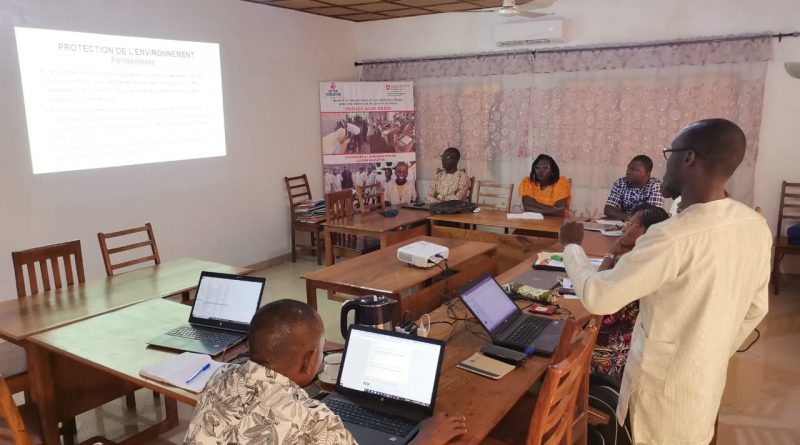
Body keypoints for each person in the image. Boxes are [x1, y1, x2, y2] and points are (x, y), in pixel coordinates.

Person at [558, 118, 771, 444]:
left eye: (669, 153)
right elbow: (756, 309)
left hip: (661, 395)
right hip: (704, 383)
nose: (664, 164)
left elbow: (598, 297)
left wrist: (572, 245)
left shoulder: (671, 237)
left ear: (688, 158)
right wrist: (707, 350)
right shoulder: (754, 226)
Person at [185, 299, 467, 445]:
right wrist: (428, 439)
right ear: (309, 362)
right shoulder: (315, 420)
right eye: (321, 348)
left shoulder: (220, 377)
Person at [591, 204, 670, 381]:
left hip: (611, 352)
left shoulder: (633, 264)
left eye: (630, 224)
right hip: (631, 345)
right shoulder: (652, 258)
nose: (624, 228)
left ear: (647, 232)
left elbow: (598, 295)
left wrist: (609, 255)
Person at [604, 155, 664, 221]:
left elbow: (652, 216)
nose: (628, 172)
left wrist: (627, 219)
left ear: (647, 173)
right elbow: (608, 209)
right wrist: (629, 219)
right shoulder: (621, 182)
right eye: (628, 168)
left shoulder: (656, 186)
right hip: (623, 223)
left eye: (633, 170)